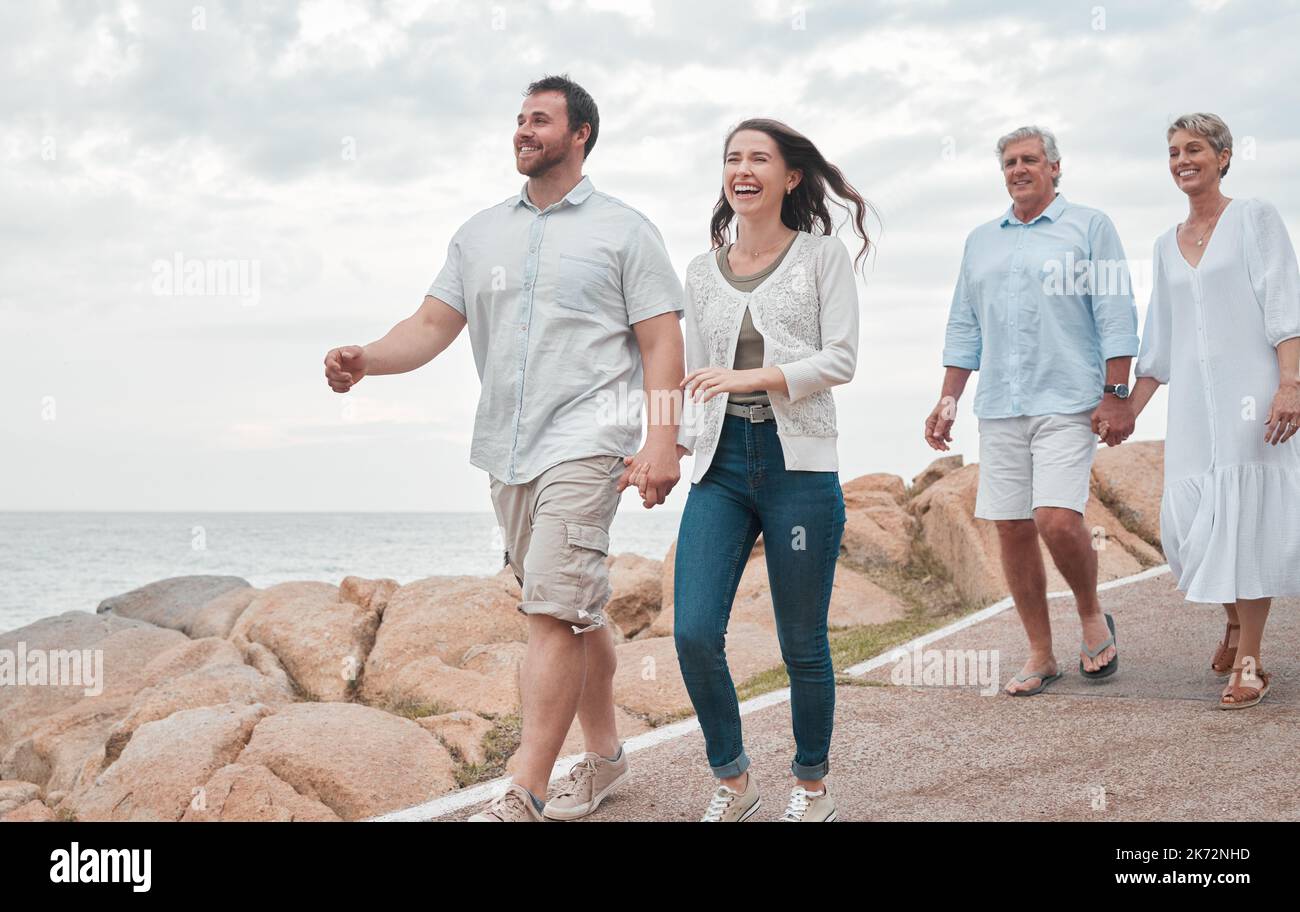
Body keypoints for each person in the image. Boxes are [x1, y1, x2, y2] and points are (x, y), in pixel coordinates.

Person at [324, 75, 688, 820]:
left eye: (541, 120)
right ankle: (609, 756)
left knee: (550, 613)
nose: (523, 130)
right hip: (507, 450)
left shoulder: (624, 230)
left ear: (580, 133)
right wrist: (366, 357)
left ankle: (523, 789)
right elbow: (429, 327)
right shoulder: (480, 233)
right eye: (519, 119)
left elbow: (660, 340)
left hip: (590, 440)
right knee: (574, 608)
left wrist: (663, 441)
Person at [660, 118, 869, 822]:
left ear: (791, 177)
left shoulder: (821, 257)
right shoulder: (700, 269)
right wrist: (670, 451)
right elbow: (697, 376)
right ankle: (735, 777)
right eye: (731, 159)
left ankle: (812, 786)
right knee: (691, 632)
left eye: (758, 158)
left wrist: (753, 380)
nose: (742, 169)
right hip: (720, 467)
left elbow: (840, 359)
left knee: (800, 643)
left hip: (798, 469)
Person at [924, 125, 1140, 697]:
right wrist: (949, 399)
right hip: (1000, 404)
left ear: (1055, 167)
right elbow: (963, 325)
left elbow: (1116, 311)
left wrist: (1116, 395)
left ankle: (1091, 612)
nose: (1019, 169)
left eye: (1030, 160)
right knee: (1012, 526)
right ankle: (1041, 653)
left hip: (1069, 399)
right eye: (1010, 163)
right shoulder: (981, 241)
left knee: (1055, 519)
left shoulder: (1090, 227)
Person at [1126, 112, 1300, 709]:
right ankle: (1232, 618)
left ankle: (1251, 663)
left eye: (1194, 148)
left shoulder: (1254, 217)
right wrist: (1127, 410)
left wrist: (1291, 386)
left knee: (1244, 524)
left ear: (1223, 156)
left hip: (1255, 400)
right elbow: (1160, 344)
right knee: (1186, 531)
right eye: (1173, 151)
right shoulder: (1163, 245)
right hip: (1194, 411)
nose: (1182, 160)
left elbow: (1286, 306)